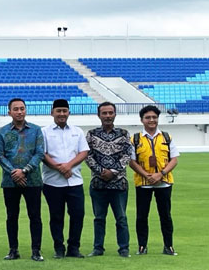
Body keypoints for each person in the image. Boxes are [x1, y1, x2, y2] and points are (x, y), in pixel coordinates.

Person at [0, 98, 46, 262]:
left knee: (35, 216)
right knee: (12, 216)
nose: (19, 112)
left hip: (33, 180)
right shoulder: (3, 132)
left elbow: (39, 153)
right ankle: (13, 250)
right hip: (10, 182)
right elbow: (0, 155)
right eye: (16, 109)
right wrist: (14, 173)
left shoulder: (36, 130)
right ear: (9, 112)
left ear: (26, 110)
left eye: (22, 108)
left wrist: (24, 171)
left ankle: (36, 250)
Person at [129, 105, 180, 256]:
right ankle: (142, 246)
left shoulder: (166, 137)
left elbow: (174, 159)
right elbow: (132, 162)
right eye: (148, 117)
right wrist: (147, 175)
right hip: (143, 183)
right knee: (142, 216)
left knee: (165, 215)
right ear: (142, 120)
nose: (151, 120)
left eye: (154, 117)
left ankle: (168, 246)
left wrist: (160, 174)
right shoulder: (136, 139)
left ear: (157, 119)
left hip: (164, 182)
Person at [41, 99, 89, 259]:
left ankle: (74, 248)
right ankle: (59, 248)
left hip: (74, 181)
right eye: (58, 111)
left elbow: (83, 152)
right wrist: (58, 167)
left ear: (69, 112)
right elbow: (42, 153)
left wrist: (68, 166)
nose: (62, 114)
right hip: (52, 181)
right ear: (52, 112)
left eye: (64, 111)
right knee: (56, 216)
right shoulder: (44, 132)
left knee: (77, 215)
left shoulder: (77, 131)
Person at [86, 102, 132, 258]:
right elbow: (88, 155)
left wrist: (112, 171)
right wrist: (101, 172)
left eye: (110, 113)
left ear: (115, 114)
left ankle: (124, 249)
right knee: (99, 218)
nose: (107, 116)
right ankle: (98, 248)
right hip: (98, 184)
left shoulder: (124, 134)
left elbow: (127, 155)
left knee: (121, 218)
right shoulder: (91, 134)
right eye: (104, 113)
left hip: (119, 184)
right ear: (98, 115)